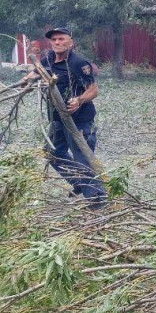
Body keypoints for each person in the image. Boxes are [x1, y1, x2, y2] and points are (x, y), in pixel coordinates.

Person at [21, 28, 106, 209]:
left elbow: (93, 89)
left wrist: (80, 100)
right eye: (54, 40)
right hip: (58, 120)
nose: (57, 42)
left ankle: (97, 202)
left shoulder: (78, 63)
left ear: (70, 42)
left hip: (80, 121)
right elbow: (37, 72)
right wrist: (26, 80)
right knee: (52, 153)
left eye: (61, 39)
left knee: (83, 158)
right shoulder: (48, 60)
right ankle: (78, 182)